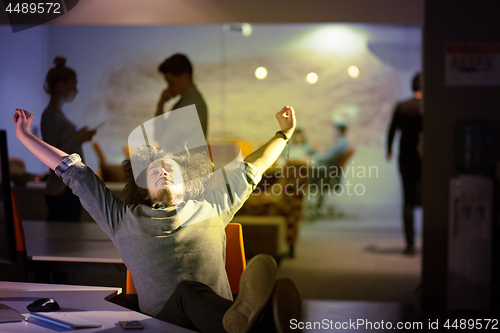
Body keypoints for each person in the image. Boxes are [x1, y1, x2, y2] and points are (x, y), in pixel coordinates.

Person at [13, 106, 301, 333]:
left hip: (215, 319)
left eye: (171, 170)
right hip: (165, 324)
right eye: (153, 172)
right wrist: (25, 136)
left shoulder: (211, 205)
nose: (162, 171)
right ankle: (256, 319)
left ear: (189, 183)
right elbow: (75, 172)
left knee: (200, 298)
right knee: (187, 293)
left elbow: (253, 167)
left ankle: (245, 319)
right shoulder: (123, 219)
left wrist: (284, 134)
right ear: (143, 189)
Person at [41, 56, 96, 221]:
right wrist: (78, 138)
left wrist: (79, 137)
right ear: (61, 86)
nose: (76, 91)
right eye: (73, 86)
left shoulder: (56, 115)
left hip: (66, 187)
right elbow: (50, 153)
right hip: (62, 189)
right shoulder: (51, 115)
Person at [386, 73, 423, 255]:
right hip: (426, 161)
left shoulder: (402, 107)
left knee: (407, 201)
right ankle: (432, 240)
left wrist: (389, 150)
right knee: (429, 201)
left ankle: (410, 244)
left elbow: (392, 131)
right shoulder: (429, 108)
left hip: (406, 160)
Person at [155, 53, 208, 138]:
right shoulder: (186, 102)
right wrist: (161, 104)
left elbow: (163, 138)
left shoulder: (192, 104)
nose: (169, 87)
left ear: (185, 77)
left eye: (171, 82)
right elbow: (160, 137)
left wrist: (160, 104)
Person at [311, 122, 350, 213]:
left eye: (334, 131)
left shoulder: (340, 143)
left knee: (304, 173)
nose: (333, 133)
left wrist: (314, 158)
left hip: (327, 173)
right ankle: (318, 205)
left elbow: (327, 157)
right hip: (328, 172)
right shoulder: (341, 143)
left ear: (339, 131)